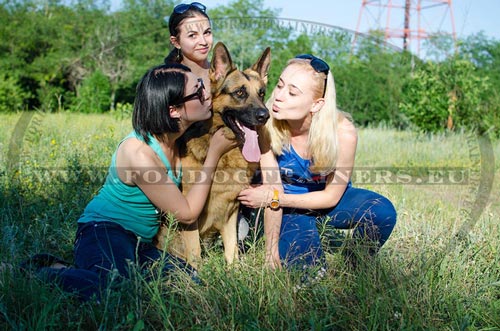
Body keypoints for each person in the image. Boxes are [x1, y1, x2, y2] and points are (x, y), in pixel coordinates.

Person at [22, 62, 235, 301]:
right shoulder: (139, 154)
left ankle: (90, 270)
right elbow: (186, 214)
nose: (208, 94)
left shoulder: (180, 134)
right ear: (174, 110)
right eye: (198, 92)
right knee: (111, 289)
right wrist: (214, 155)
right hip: (104, 231)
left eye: (202, 86)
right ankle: (43, 271)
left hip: (140, 243)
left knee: (189, 282)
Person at [238, 54, 397, 270]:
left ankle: (354, 263)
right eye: (280, 85)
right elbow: (272, 190)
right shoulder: (265, 127)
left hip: (326, 204)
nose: (278, 96)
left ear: (316, 104)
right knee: (309, 272)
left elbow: (331, 196)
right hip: (288, 209)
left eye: (292, 92)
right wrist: (270, 254)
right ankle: (305, 236)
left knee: (382, 212)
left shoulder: (343, 133)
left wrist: (274, 197)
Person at [164, 2, 212, 88]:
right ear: (176, 42)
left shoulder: (225, 76)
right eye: (192, 35)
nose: (203, 42)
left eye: (207, 32)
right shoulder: (165, 83)